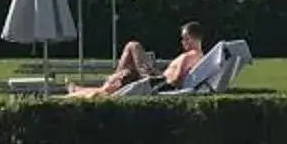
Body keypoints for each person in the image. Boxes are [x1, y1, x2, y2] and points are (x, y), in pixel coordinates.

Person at [78, 21, 208, 98]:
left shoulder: (190, 55)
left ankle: (105, 83)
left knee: (133, 46)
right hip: (156, 80)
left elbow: (175, 81)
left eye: (183, 38)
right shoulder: (197, 56)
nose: (182, 42)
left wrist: (153, 72)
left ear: (190, 38)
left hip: (156, 83)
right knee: (119, 79)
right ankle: (97, 87)